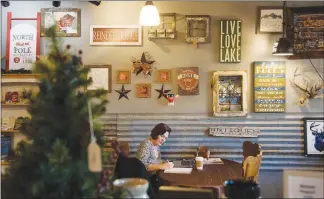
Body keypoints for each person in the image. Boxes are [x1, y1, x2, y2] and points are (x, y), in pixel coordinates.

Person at [136, 123, 174, 193]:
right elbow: (141, 165)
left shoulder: (156, 145)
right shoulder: (146, 144)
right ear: (156, 133)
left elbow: (155, 162)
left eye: (165, 138)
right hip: (146, 182)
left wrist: (164, 163)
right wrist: (161, 166)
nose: (163, 140)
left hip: (154, 180)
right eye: (162, 136)